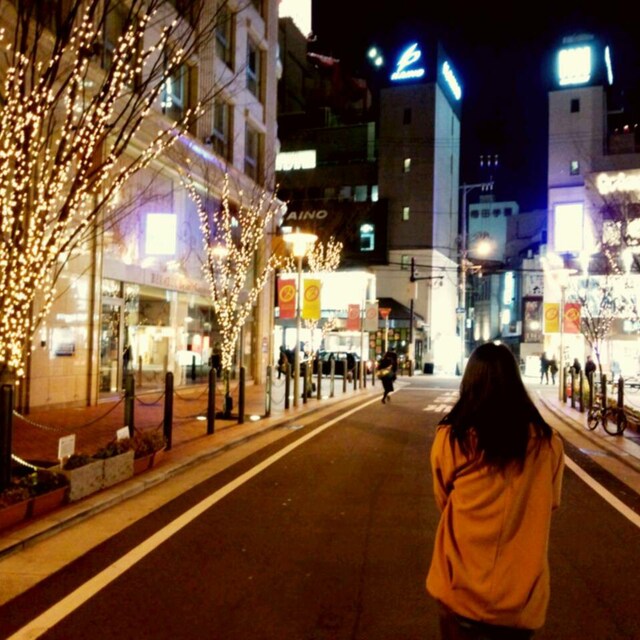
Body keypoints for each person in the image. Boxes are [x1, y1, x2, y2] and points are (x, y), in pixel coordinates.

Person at [427, 342, 564, 639]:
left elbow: (443, 499)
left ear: (469, 382)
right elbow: (551, 501)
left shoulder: (453, 440)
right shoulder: (547, 444)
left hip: (460, 588)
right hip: (521, 599)